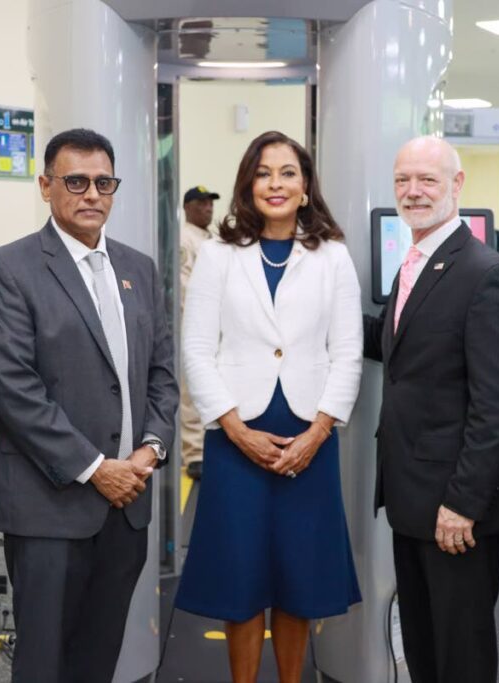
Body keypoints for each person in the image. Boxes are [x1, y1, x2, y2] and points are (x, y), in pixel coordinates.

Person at [0, 128, 178, 682]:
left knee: (98, 656)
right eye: (76, 181)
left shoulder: (139, 268)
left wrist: (151, 450)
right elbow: (12, 385)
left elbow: (162, 373)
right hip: (51, 506)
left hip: (128, 503)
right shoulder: (7, 269)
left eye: (103, 182)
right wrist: (96, 468)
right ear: (46, 186)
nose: (91, 194)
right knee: (44, 663)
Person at [176, 130, 363, 683]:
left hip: (309, 437)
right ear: (247, 185)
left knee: (298, 577)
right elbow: (196, 348)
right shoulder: (217, 255)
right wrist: (235, 429)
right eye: (263, 173)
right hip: (238, 436)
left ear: (305, 187)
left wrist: (319, 431)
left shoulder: (332, 256)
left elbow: (347, 352)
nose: (275, 183)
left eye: (287, 173)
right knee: (241, 577)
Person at [363, 136, 499, 682]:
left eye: (427, 180)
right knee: (424, 646)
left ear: (457, 186)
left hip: (456, 510)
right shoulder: (414, 264)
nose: (413, 192)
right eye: (403, 180)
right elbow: (404, 351)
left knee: (462, 654)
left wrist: (463, 503)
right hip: (413, 498)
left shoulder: (485, 274)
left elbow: (497, 403)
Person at [179, 185, 219, 480]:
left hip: (217, 328)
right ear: (188, 208)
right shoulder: (184, 239)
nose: (208, 209)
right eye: (202, 204)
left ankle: (207, 447)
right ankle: (194, 453)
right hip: (194, 326)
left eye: (210, 204)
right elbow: (185, 290)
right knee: (191, 392)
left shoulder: (213, 239)